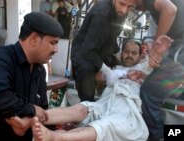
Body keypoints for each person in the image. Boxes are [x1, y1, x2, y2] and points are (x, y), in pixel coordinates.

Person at [29, 36, 172, 141]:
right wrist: (121, 73)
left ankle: (55, 137)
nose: (129, 55)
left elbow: (157, 67)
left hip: (126, 110)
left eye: (134, 53)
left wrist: (155, 51)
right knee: (81, 108)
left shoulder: (144, 67)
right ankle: (33, 119)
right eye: (126, 51)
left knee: (104, 125)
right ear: (121, 53)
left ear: (140, 55)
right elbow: (98, 78)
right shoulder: (115, 68)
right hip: (104, 104)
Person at [0, 12, 64, 141]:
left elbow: (42, 111)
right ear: (34, 39)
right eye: (53, 43)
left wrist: (30, 121)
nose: (56, 49)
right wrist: (31, 109)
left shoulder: (39, 70)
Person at [134, 0, 184, 140]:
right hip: (178, 51)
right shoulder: (154, 12)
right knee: (171, 93)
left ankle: (157, 137)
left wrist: (157, 47)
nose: (133, 7)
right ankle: (172, 134)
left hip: (180, 51)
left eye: (131, 4)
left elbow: (169, 10)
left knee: (148, 94)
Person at [70, 0, 136, 102]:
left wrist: (120, 55)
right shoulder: (100, 15)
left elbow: (111, 38)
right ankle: (87, 106)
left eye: (129, 6)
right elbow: (88, 50)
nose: (124, 10)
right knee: (87, 97)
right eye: (122, 4)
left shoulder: (121, 12)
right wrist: (106, 71)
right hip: (83, 53)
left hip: (100, 52)